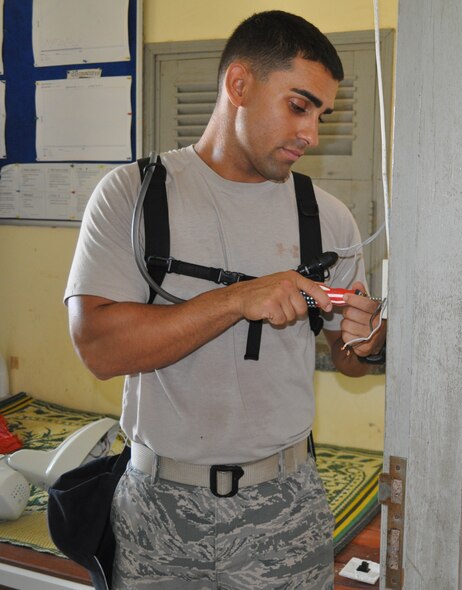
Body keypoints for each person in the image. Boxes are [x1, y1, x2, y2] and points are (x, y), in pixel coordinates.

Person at [65, 11, 386, 589]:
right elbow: (99, 348)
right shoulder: (134, 196)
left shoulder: (329, 219)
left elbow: (347, 358)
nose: (311, 133)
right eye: (298, 105)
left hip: (286, 508)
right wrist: (238, 299)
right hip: (157, 507)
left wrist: (366, 342)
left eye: (320, 114)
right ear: (239, 85)